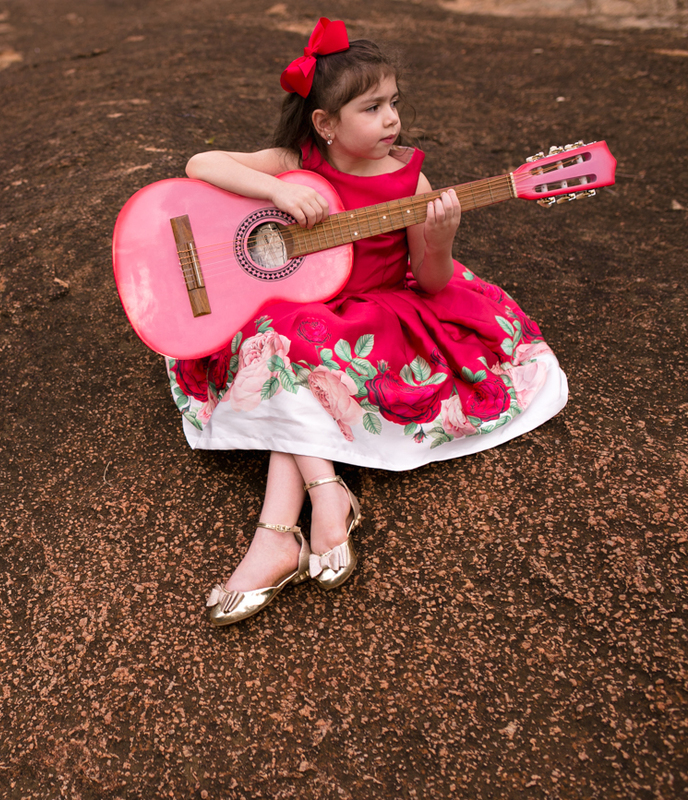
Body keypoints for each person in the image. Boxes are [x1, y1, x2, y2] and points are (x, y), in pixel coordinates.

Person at [168, 18, 567, 626]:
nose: (392, 120)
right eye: (372, 107)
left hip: (377, 315)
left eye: (394, 103)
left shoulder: (411, 183)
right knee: (282, 336)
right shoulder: (296, 162)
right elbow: (201, 163)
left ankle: (277, 534)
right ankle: (326, 496)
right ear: (325, 125)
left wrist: (441, 241)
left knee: (284, 349)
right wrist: (273, 192)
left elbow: (431, 281)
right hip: (303, 314)